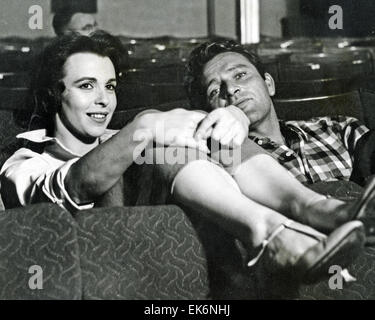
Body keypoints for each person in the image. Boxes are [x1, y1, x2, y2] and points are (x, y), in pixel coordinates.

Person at [0, 31, 367, 284]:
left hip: (184, 268)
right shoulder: (24, 161)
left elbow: (206, 129)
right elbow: (77, 185)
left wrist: (234, 117)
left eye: (110, 86)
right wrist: (145, 127)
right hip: (116, 269)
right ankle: (269, 236)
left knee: (208, 134)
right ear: (53, 93)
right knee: (160, 143)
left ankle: (323, 209)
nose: (104, 99)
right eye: (86, 86)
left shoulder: (121, 136)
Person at [186, 40, 375, 187]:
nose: (231, 89)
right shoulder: (219, 161)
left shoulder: (338, 129)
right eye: (215, 91)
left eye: (240, 75)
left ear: (269, 84)